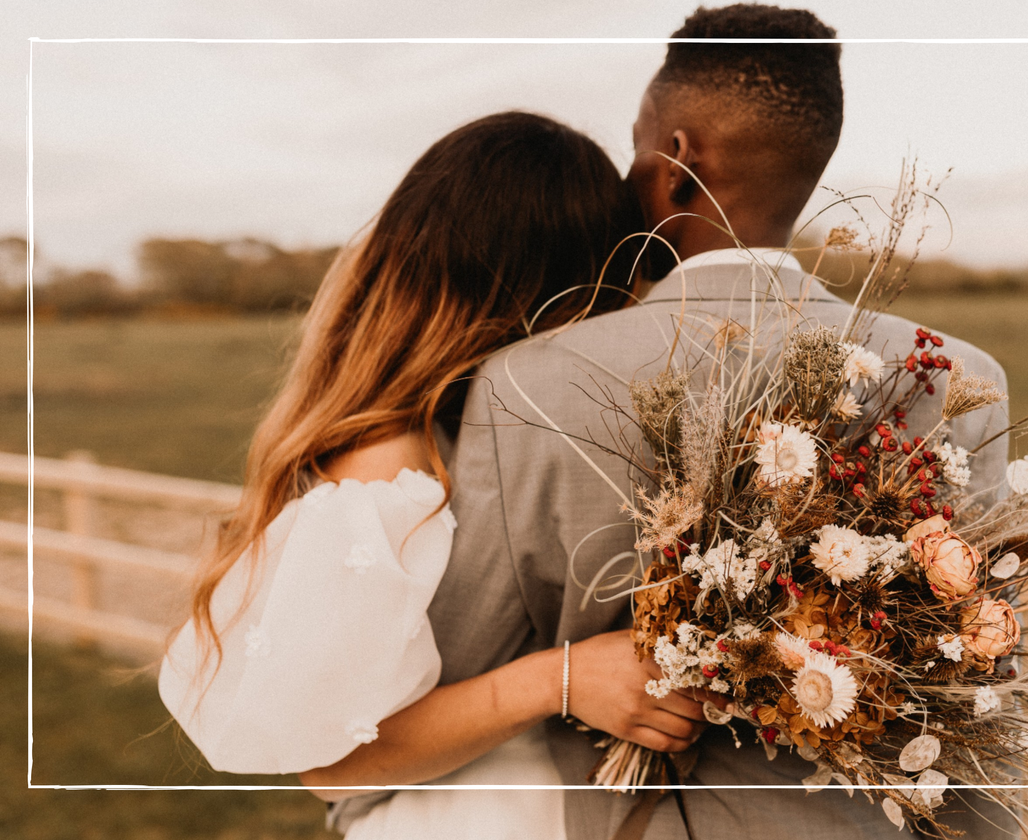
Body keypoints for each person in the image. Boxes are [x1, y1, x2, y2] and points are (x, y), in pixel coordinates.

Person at [401, 3, 1019, 840]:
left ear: (677, 158)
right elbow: (980, 681)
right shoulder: (957, 380)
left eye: (636, 144)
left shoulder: (527, 382)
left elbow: (448, 678)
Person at [159, 111, 709, 840]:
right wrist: (560, 678)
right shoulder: (390, 464)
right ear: (553, 289)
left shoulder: (474, 431)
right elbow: (333, 762)